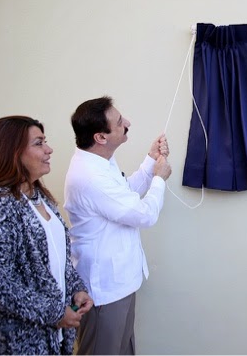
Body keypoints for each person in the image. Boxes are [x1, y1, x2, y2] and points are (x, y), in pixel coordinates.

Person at [64, 96, 172, 355]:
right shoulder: (91, 177)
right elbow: (143, 215)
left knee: (123, 350)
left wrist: (150, 160)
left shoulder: (98, 161)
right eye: (120, 122)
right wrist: (159, 179)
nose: (128, 123)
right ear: (101, 137)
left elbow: (123, 194)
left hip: (120, 284)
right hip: (105, 291)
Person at [0, 116, 93, 355]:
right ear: (11, 152)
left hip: (53, 336)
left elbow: (56, 258)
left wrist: (76, 288)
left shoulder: (38, 196)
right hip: (17, 342)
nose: (49, 149)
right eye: (39, 143)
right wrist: (54, 312)